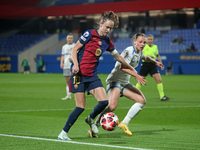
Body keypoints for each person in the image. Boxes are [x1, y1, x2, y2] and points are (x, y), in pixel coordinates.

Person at [58, 11, 138, 141]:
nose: (108, 30)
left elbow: (117, 56)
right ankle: (63, 133)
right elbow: (74, 49)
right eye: (107, 27)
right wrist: (76, 65)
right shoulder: (89, 34)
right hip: (79, 75)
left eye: (111, 28)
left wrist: (130, 67)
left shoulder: (107, 41)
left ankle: (90, 118)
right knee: (80, 107)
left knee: (104, 101)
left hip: (92, 75)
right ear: (100, 24)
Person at [89, 33, 164, 137]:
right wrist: (136, 75)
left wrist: (155, 62)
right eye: (140, 42)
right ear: (134, 42)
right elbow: (121, 67)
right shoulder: (129, 51)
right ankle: (95, 125)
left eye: (144, 42)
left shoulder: (139, 51)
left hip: (124, 82)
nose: (142, 44)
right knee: (111, 106)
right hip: (115, 80)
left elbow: (145, 57)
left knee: (142, 100)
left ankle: (124, 123)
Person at [136, 34, 170, 101]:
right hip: (145, 64)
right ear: (146, 40)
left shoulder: (155, 47)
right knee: (141, 80)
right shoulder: (143, 46)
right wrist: (147, 56)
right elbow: (140, 54)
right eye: (148, 39)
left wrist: (161, 63)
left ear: (153, 40)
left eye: (151, 39)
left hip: (153, 65)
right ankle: (133, 93)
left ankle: (162, 96)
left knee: (159, 80)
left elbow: (157, 55)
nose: (150, 41)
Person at [60, 33, 75, 100]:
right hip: (66, 65)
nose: (70, 39)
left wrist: (73, 60)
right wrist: (61, 63)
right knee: (67, 81)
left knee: (75, 81)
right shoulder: (64, 47)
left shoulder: (75, 46)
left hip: (74, 66)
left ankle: (76, 96)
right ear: (66, 39)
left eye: (71, 38)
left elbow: (77, 55)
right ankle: (68, 96)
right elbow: (63, 55)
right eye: (69, 38)